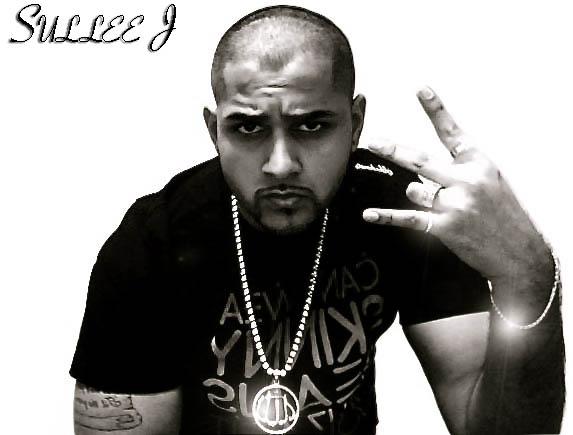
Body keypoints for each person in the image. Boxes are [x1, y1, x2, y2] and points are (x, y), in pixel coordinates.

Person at [70, 5, 564, 435]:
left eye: (311, 125)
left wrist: (527, 273)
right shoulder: (151, 243)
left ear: (355, 124)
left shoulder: (405, 215)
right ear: (214, 130)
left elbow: (500, 431)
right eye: (248, 127)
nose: (281, 165)